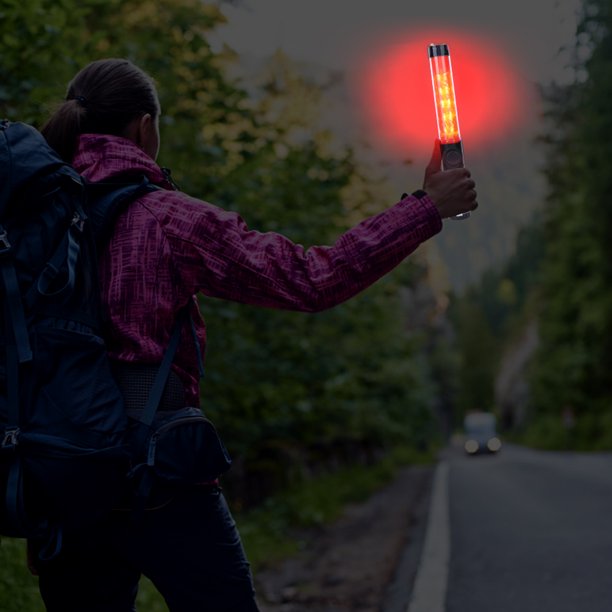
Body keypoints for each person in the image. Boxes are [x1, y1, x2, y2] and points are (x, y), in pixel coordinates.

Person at [33, 58, 477, 611]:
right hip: (155, 471)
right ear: (145, 128)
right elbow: (313, 278)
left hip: (56, 473)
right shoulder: (166, 219)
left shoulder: (30, 220)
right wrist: (427, 209)